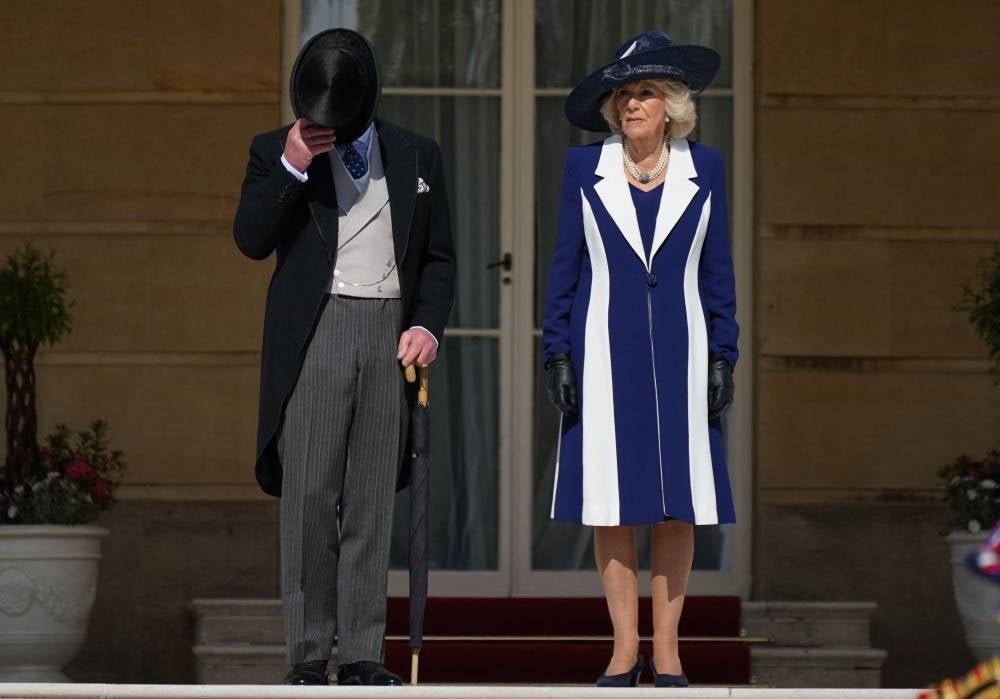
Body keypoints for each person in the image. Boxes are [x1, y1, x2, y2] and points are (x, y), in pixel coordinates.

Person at [233, 28, 455, 686]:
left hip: (388, 329)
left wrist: (426, 327)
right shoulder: (274, 150)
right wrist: (293, 165)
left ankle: (362, 651)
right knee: (310, 495)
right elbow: (250, 237)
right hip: (319, 330)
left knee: (368, 501)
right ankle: (307, 651)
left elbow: (440, 258)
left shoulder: (418, 154)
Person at [542, 30, 738, 688]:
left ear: (672, 106)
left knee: (677, 503)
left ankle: (670, 651)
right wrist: (557, 353)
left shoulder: (704, 167)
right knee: (613, 501)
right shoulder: (583, 170)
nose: (631, 103)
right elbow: (564, 269)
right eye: (623, 93)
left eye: (644, 92)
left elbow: (719, 272)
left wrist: (723, 353)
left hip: (683, 352)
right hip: (603, 350)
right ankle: (625, 651)